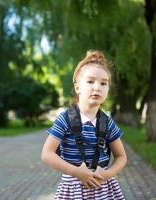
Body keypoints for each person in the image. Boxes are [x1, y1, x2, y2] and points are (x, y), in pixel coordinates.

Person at [41, 50, 127, 199]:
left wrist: (106, 174)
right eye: (90, 81)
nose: (97, 87)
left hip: (103, 188)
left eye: (103, 83)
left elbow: (121, 157)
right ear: (77, 88)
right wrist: (77, 172)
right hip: (73, 190)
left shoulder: (108, 123)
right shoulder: (65, 119)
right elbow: (46, 154)